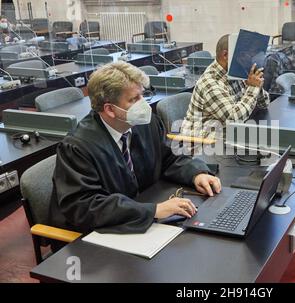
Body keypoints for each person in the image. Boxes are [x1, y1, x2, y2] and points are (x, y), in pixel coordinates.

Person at [49, 61, 222, 234]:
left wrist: (196, 173)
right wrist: (153, 210)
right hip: (98, 235)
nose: (144, 105)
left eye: (142, 95)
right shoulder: (78, 147)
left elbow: (168, 157)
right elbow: (85, 206)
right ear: (109, 109)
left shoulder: (145, 123)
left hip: (142, 212)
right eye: (134, 99)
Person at [180, 34, 270, 141]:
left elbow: (264, 104)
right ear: (226, 55)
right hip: (203, 144)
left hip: (227, 134)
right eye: (246, 54)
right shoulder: (210, 83)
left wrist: (257, 86)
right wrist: (252, 88)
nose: (251, 59)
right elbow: (233, 120)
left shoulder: (235, 71)